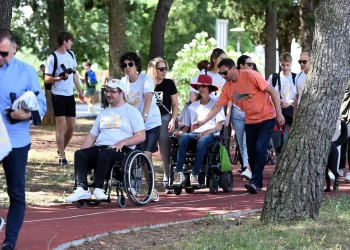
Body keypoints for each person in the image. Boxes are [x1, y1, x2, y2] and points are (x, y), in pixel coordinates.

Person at [192, 58, 284, 194]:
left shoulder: (251, 75)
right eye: (221, 74)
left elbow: (272, 92)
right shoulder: (228, 87)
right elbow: (217, 107)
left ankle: (254, 181)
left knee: (260, 149)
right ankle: (257, 182)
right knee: (250, 154)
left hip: (267, 118)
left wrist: (279, 114)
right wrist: (202, 121)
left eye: (225, 73)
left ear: (233, 68)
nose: (223, 76)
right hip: (250, 120)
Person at [0, 28, 47, 250]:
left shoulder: (27, 72)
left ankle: (9, 242)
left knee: (16, 193)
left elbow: (41, 109)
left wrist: (25, 115)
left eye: (4, 53)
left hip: (16, 142)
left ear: (14, 48)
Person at [66, 79, 146, 202]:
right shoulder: (103, 113)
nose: (108, 94)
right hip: (101, 147)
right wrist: (82, 156)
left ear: (121, 93)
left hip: (121, 150)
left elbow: (141, 136)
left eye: (112, 92)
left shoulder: (132, 112)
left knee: (105, 153)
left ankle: (99, 188)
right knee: (80, 154)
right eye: (107, 91)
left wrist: (123, 142)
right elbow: (92, 136)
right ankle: (82, 189)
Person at [119, 52, 161, 201]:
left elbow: (148, 98)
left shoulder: (145, 79)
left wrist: (143, 117)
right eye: (124, 65)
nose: (127, 67)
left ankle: (152, 190)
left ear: (137, 66)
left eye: (130, 64)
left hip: (150, 122)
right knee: (130, 154)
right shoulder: (122, 82)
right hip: (135, 125)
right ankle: (133, 187)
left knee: (145, 155)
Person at [173, 75, 225, 186]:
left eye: (204, 86)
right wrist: (180, 133)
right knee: (183, 137)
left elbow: (219, 127)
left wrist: (206, 132)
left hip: (210, 136)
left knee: (202, 141)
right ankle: (179, 173)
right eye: (199, 86)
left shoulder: (217, 105)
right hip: (194, 135)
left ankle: (195, 174)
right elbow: (187, 128)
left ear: (209, 88)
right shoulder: (192, 106)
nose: (201, 88)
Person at [44, 31, 84, 166]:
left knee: (71, 126)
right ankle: (62, 156)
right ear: (65, 42)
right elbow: (47, 79)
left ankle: (61, 149)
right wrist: (60, 77)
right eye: (70, 41)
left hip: (69, 95)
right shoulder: (52, 58)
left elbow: (75, 75)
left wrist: (80, 91)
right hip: (58, 95)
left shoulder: (71, 55)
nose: (72, 43)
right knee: (61, 126)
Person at [147, 57, 179, 194]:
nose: (164, 71)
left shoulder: (169, 83)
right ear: (154, 70)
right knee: (147, 153)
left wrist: (173, 119)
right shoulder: (147, 83)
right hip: (148, 120)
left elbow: (175, 104)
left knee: (166, 153)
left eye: (165, 68)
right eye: (161, 68)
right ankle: (151, 183)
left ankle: (168, 181)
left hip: (164, 119)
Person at [223, 55, 251, 179]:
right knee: (241, 142)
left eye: (252, 64)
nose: (251, 66)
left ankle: (249, 167)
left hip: (251, 115)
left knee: (246, 142)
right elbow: (230, 99)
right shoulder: (231, 81)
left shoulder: (252, 77)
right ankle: (246, 167)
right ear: (241, 66)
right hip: (237, 116)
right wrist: (228, 117)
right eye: (248, 64)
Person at [268, 52, 296, 160]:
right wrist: (277, 100)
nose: (285, 67)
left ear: (291, 64)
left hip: (290, 113)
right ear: (280, 64)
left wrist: (290, 102)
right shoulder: (274, 77)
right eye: (283, 65)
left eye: (287, 65)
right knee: (277, 142)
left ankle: (286, 165)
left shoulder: (295, 77)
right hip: (276, 113)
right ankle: (278, 166)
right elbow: (268, 93)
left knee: (287, 141)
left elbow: (300, 96)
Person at [293, 50, 311, 116]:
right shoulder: (298, 76)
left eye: (304, 62)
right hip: (300, 113)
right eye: (300, 62)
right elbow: (296, 97)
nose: (301, 64)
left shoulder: (317, 77)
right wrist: (294, 114)